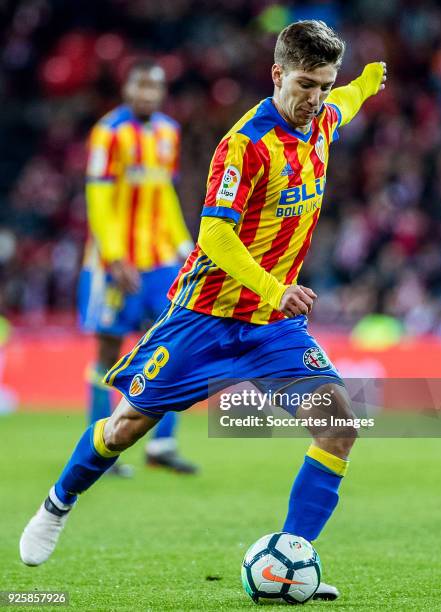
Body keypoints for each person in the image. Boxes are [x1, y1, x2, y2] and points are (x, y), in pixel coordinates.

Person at [20, 20, 386, 599]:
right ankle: (57, 502)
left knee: (339, 424)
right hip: (206, 318)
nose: (315, 98)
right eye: (304, 83)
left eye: (323, 84)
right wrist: (271, 287)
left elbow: (347, 100)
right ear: (276, 74)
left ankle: (293, 559)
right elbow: (214, 237)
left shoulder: (325, 120)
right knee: (123, 428)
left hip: (273, 327)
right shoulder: (242, 145)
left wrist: (366, 81)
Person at [78, 60, 198, 475]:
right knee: (108, 351)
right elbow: (98, 197)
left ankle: (161, 446)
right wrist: (113, 255)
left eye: (155, 87)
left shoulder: (168, 132)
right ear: (127, 89)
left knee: (174, 343)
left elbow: (164, 194)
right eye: (141, 86)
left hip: (159, 258)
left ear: (162, 92)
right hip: (114, 263)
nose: (148, 94)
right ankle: (101, 445)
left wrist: (185, 247)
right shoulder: (109, 133)